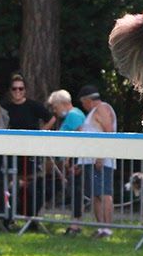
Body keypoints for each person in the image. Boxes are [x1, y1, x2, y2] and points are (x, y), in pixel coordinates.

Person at [1, 74, 54, 219]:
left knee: (32, 185)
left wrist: (41, 133)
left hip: (30, 153)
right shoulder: (5, 107)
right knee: (10, 186)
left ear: (25, 90)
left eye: (21, 88)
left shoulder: (33, 105)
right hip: (11, 153)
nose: (17, 91)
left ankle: (32, 217)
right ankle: (9, 216)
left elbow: (51, 118)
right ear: (10, 90)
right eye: (14, 89)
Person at [75, 85, 117, 238]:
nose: (83, 106)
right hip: (90, 161)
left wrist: (101, 155)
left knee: (104, 194)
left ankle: (107, 228)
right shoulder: (94, 112)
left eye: (83, 102)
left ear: (88, 100)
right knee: (95, 195)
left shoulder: (102, 108)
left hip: (101, 161)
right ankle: (101, 228)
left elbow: (109, 132)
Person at [47, 89, 86, 232]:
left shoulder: (73, 116)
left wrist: (73, 160)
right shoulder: (73, 115)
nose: (55, 111)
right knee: (75, 192)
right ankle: (76, 223)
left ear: (63, 103)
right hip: (74, 160)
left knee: (76, 192)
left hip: (76, 161)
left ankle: (75, 225)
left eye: (55, 107)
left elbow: (81, 137)